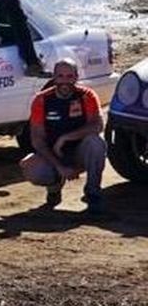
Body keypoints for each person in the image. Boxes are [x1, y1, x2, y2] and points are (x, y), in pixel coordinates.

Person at [19, 57, 106, 214]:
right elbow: (37, 139)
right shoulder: (41, 100)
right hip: (53, 154)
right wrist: (60, 166)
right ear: (54, 77)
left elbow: (98, 125)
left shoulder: (87, 96)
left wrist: (66, 138)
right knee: (30, 167)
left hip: (80, 151)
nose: (65, 81)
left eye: (69, 76)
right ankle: (54, 187)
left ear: (76, 77)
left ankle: (93, 194)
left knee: (97, 143)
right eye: (60, 76)